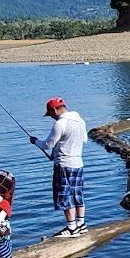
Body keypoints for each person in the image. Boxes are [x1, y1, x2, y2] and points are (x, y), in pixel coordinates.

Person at [30, 96, 87, 236]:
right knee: (77, 194)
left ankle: (71, 228)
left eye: (50, 114)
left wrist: (35, 141)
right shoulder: (80, 121)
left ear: (55, 110)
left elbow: (47, 145)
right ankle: (81, 224)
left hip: (64, 165)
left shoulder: (60, 124)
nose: (51, 117)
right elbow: (84, 140)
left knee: (65, 196)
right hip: (78, 164)